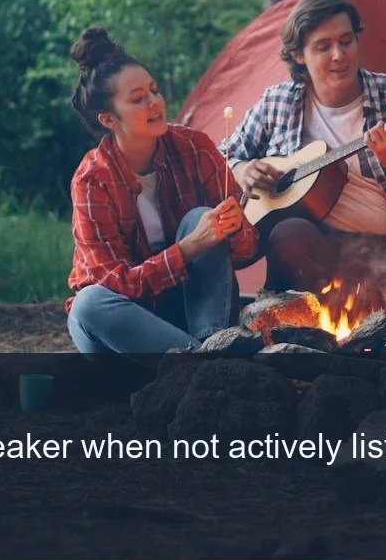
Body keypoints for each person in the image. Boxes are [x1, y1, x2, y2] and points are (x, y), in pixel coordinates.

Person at [220, 0, 386, 314]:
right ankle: (301, 336)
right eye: (323, 46)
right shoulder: (278, 102)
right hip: (318, 254)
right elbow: (222, 158)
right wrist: (242, 169)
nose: (339, 55)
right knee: (288, 233)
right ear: (298, 55)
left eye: (347, 41)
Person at [66, 28, 259, 355]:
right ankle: (207, 363)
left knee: (202, 217)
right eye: (138, 98)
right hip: (125, 329)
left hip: (190, 314)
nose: (155, 103)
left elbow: (248, 252)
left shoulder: (194, 148)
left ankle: (209, 347)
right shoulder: (92, 180)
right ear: (109, 119)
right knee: (88, 303)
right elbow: (120, 285)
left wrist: (235, 227)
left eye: (154, 91)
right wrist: (190, 246)